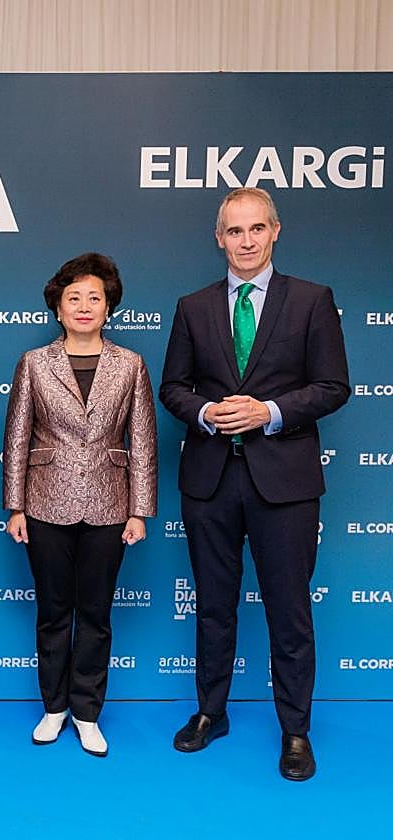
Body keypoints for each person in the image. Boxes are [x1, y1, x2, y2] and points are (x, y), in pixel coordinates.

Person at [159, 187, 349, 781]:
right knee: (214, 608)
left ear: (275, 232)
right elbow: (173, 388)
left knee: (289, 611)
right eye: (234, 231)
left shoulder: (313, 300)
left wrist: (267, 412)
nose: (245, 241)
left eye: (256, 229)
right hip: (210, 480)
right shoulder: (193, 306)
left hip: (285, 484)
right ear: (219, 238)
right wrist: (206, 414)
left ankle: (295, 731)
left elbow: (333, 387)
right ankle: (210, 713)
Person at [3, 253, 157, 757]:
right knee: (52, 612)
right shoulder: (33, 363)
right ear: (58, 307)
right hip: (45, 503)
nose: (85, 306)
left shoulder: (130, 364)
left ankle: (87, 712)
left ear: (109, 305)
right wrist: (15, 506)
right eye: (75, 298)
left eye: (95, 297)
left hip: (110, 507)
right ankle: (54, 708)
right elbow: (18, 436)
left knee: (95, 613)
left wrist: (139, 510)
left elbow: (143, 441)